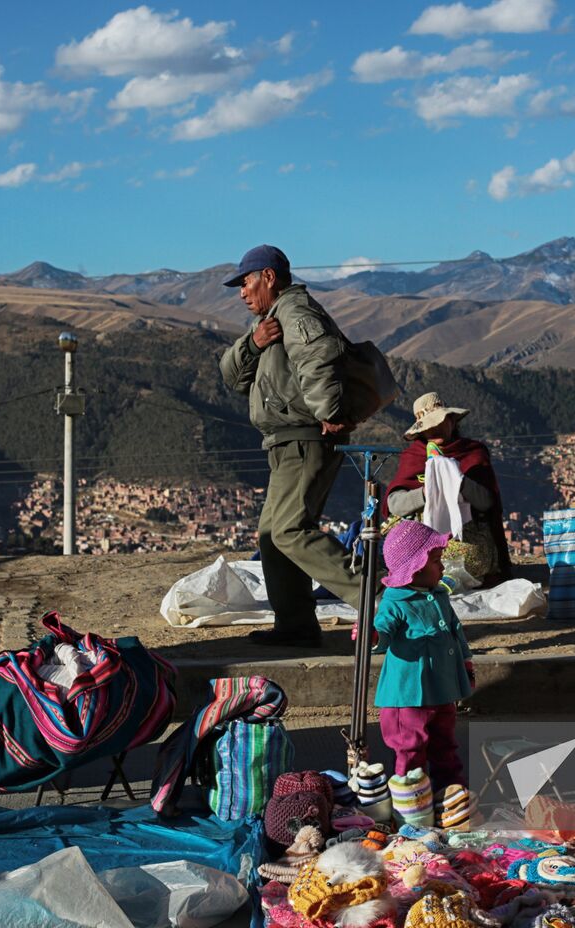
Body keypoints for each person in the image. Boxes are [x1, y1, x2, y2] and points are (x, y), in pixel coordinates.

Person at [219, 244, 364, 647]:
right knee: (271, 536)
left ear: (268, 276)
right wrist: (254, 343)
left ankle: (382, 600)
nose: (242, 292)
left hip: (304, 437)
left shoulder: (294, 312)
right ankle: (296, 625)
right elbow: (230, 375)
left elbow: (319, 357)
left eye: (246, 282)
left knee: (290, 530)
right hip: (285, 441)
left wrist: (328, 409)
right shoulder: (268, 323)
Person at [372, 520, 474, 792]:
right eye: (436, 561)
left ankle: (451, 793)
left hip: (441, 689)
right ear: (413, 568)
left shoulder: (438, 596)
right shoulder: (395, 602)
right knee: (411, 749)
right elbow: (384, 630)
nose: (442, 567)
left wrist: (465, 662)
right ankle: (412, 800)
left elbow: (455, 632)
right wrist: (373, 636)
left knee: (445, 744)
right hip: (409, 696)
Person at [383, 392, 513, 588]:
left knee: (470, 556)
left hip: (468, 539)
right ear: (421, 430)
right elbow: (394, 504)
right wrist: (426, 494)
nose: (435, 428)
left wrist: (458, 481)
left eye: (440, 421)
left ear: (452, 421)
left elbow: (487, 502)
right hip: (423, 538)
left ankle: (449, 578)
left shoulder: (473, 453)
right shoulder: (414, 457)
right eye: (429, 426)